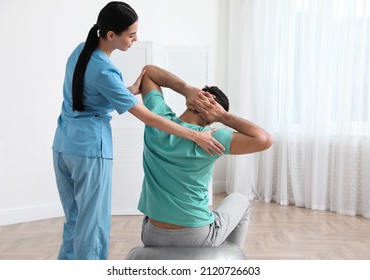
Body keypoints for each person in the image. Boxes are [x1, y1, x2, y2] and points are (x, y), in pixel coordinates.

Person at [52, 1, 224, 260]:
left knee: (74, 220)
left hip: (63, 145)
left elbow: (89, 92)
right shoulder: (106, 70)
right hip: (89, 150)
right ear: (112, 35)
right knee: (93, 224)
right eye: (131, 35)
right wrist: (194, 134)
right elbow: (149, 117)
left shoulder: (81, 51)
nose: (135, 39)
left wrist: (128, 91)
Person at [137, 65, 273, 249]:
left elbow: (149, 72)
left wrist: (186, 90)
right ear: (212, 118)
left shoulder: (157, 120)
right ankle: (230, 261)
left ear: (190, 102)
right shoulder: (210, 139)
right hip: (197, 236)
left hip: (152, 235)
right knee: (240, 200)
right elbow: (264, 139)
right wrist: (224, 116)